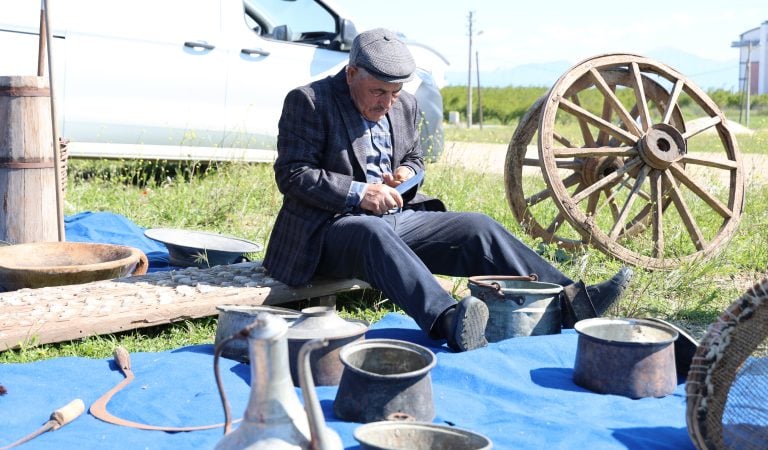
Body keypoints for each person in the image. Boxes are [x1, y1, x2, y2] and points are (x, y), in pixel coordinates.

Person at [263, 28, 633, 352]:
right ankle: (451, 322)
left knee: (477, 227)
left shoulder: (403, 104)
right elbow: (293, 174)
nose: (387, 101)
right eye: (378, 91)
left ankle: (572, 303)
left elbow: (414, 157)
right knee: (369, 230)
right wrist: (360, 192)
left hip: (396, 220)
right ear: (351, 73)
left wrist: (406, 171)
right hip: (329, 231)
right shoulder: (310, 102)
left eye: (395, 92)